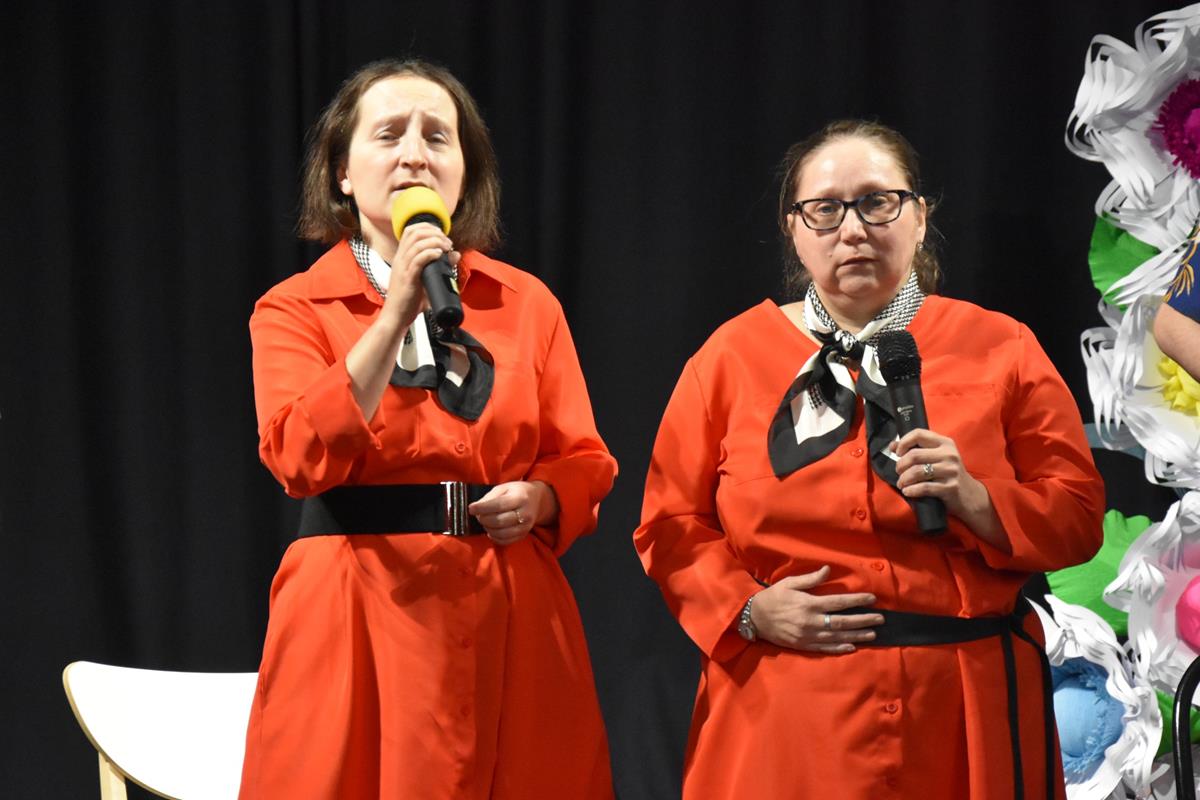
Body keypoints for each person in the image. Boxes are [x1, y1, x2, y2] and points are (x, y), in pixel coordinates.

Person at [633, 120, 1104, 799]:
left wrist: (977, 498)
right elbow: (670, 525)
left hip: (961, 713)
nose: (852, 229)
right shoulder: (729, 357)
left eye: (878, 202)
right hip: (784, 715)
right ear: (794, 230)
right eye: (825, 210)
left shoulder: (1002, 346)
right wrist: (747, 609)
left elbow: (1079, 518)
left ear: (920, 217)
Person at [238, 59, 616, 799]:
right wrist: (392, 316)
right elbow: (295, 455)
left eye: (438, 137)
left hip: (510, 607)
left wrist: (543, 498)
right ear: (343, 173)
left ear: (464, 173)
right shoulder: (294, 307)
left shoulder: (526, 304)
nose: (415, 154)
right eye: (389, 135)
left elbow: (584, 457)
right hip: (354, 606)